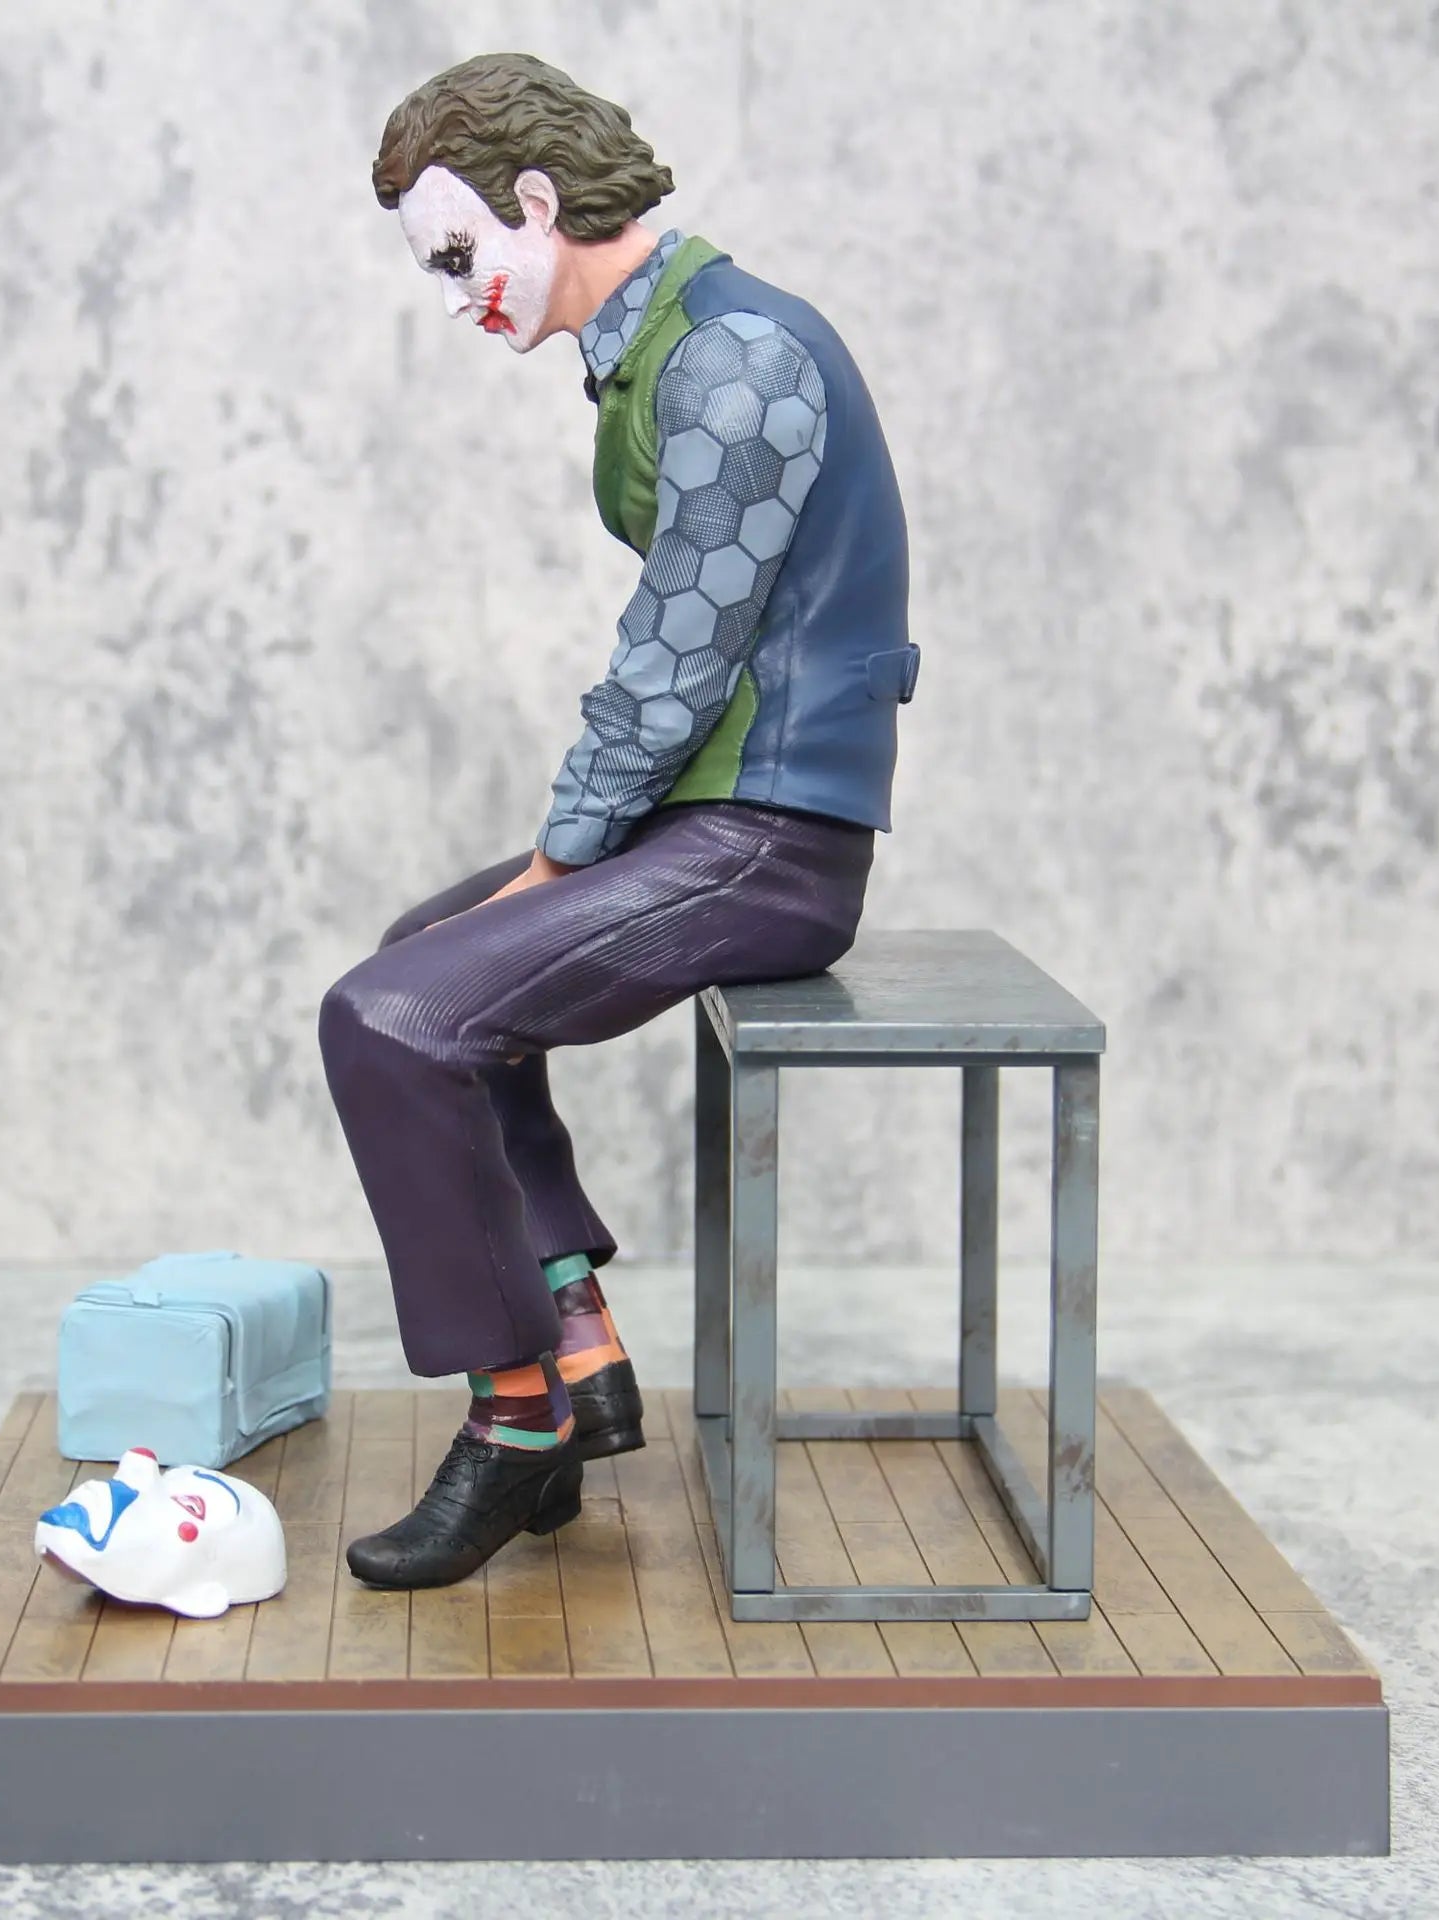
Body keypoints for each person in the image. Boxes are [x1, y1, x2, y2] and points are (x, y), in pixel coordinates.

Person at [320, 52, 918, 1588]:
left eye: (458, 254)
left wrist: (562, 854)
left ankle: (514, 1422)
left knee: (394, 1017)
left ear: (537, 202)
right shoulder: (667, 352)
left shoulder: (735, 360)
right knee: (416, 955)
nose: (457, 295)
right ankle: (578, 1357)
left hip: (770, 841)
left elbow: (679, 652)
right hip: (713, 816)